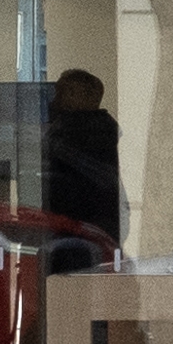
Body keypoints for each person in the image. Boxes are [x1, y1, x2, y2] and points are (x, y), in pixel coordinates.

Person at [43, 67, 124, 242]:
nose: (54, 100)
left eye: (60, 93)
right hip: (96, 223)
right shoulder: (101, 129)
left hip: (81, 225)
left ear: (73, 95)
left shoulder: (77, 133)